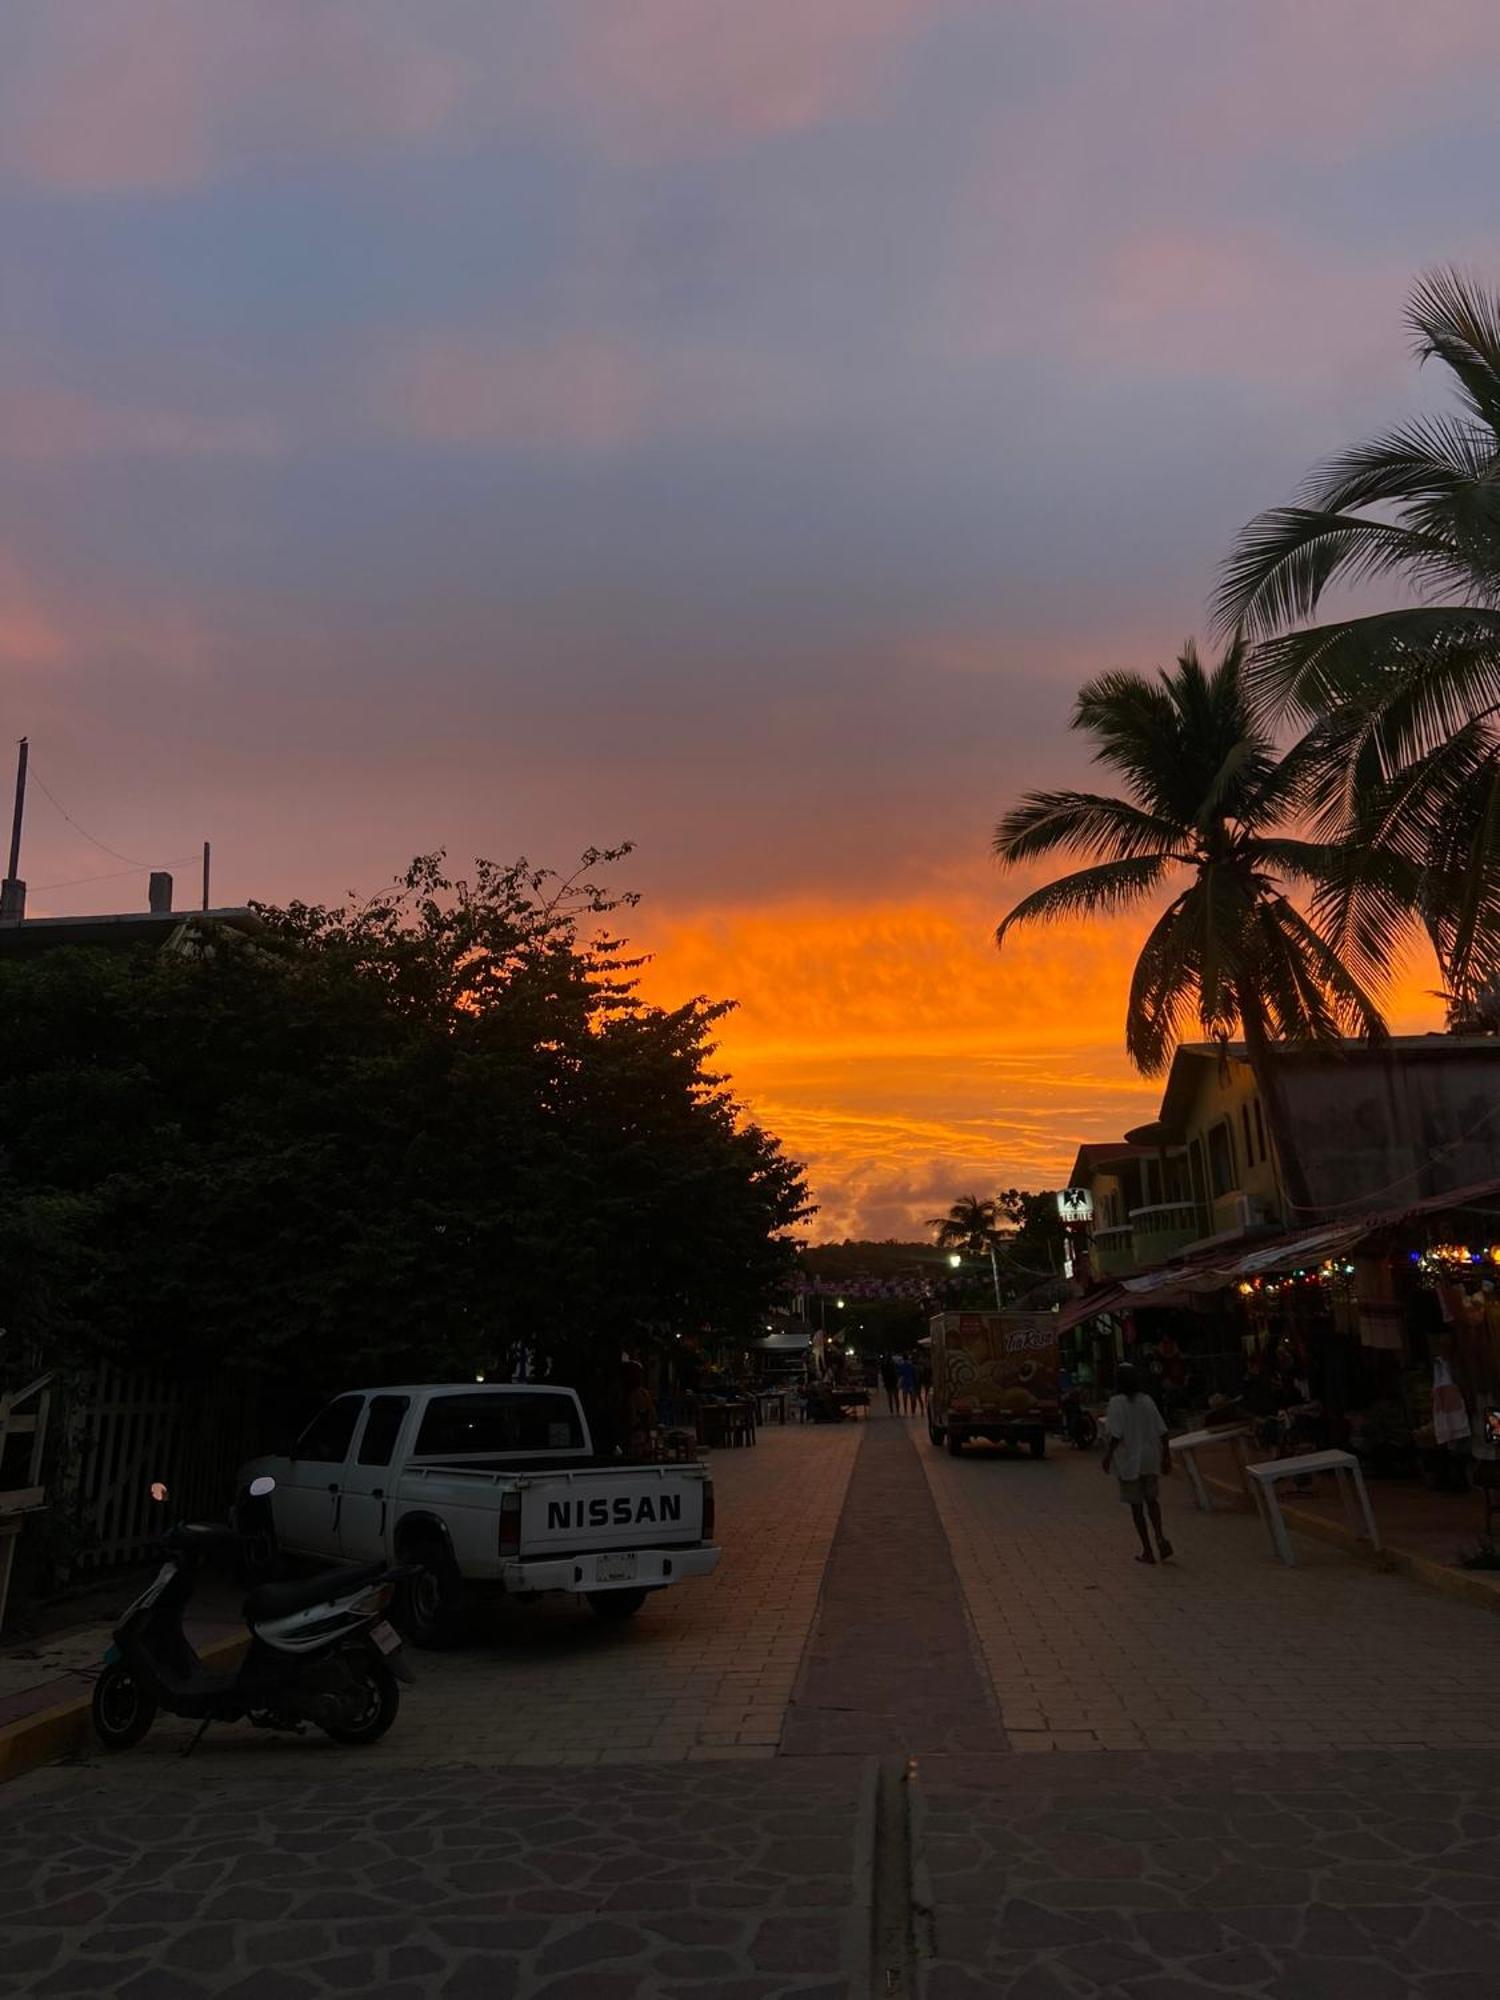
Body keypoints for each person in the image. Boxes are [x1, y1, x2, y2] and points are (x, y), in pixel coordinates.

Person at [1102, 1363, 1172, 1564]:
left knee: (1136, 1506)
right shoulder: (1147, 1400)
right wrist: (1166, 1455)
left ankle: (1147, 1550)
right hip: (1150, 1458)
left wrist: (1107, 1456)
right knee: (1152, 1500)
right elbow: (1163, 1430)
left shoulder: (1116, 1403)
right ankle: (1159, 1535)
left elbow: (1115, 1434)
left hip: (1129, 1461)